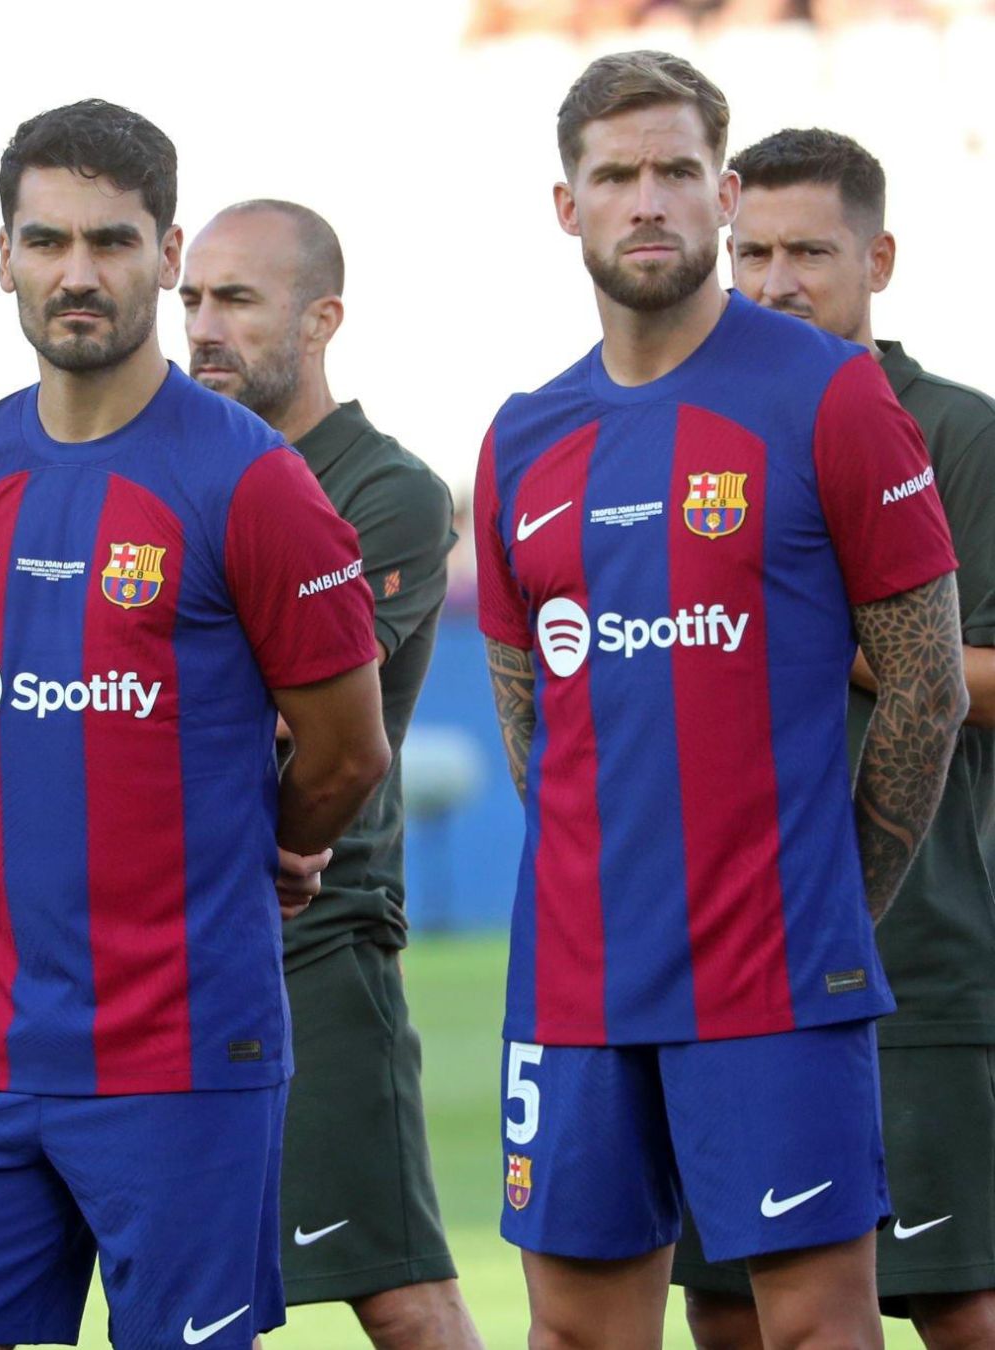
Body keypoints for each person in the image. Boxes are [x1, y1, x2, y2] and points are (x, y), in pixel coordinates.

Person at [0, 98, 392, 1350]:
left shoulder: (250, 480)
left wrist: (269, 847)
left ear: (165, 254)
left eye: (111, 241)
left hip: (181, 1052)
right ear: (2, 256)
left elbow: (347, 750)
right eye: (45, 242)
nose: (77, 275)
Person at [475, 50, 967, 1350]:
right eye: (615, 174)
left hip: (777, 968)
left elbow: (926, 685)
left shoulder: (826, 393)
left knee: (811, 1324)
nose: (648, 200)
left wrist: (831, 903)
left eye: (677, 171)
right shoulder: (523, 435)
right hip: (574, 983)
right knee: (578, 1331)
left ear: (723, 191)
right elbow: (531, 711)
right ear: (566, 205)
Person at [671, 127, 995, 1350]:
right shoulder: (686, 424)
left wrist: (831, 631)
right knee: (726, 1304)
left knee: (958, 1299)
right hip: (724, 952)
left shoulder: (951, 433)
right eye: (748, 250)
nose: (770, 281)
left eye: (807, 251)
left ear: (879, 258)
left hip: (911, 940)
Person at [181, 201, 481, 1350]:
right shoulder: (167, 466)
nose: (203, 329)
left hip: (311, 927)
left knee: (395, 1289)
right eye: (193, 300)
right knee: (187, 1292)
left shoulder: (382, 489)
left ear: (320, 320)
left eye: (237, 302)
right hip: (159, 931)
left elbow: (276, 716)